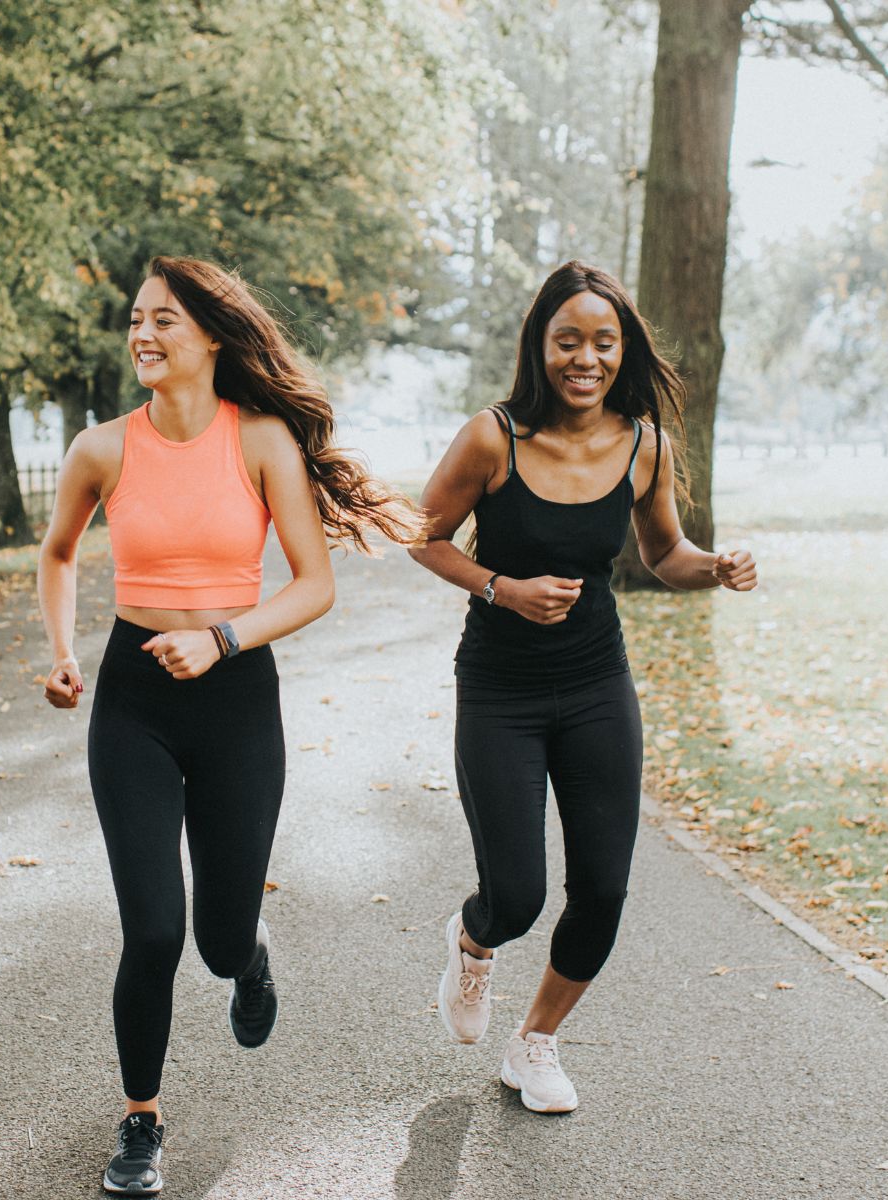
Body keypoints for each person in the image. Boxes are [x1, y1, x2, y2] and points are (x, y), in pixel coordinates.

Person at [37, 256, 416, 1195]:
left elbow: (314, 585)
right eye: (135, 319)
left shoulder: (263, 442)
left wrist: (222, 639)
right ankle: (140, 1122)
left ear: (211, 334)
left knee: (213, 938)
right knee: (154, 930)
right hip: (133, 701)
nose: (143, 335)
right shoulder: (102, 448)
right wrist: (62, 651)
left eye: (164, 320)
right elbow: (56, 554)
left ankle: (248, 955)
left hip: (236, 697)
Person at [408, 261, 758, 1114]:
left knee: (602, 886)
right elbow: (423, 536)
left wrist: (713, 566)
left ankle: (536, 1045)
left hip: (599, 683)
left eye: (604, 341)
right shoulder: (494, 437)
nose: (586, 358)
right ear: (541, 346)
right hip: (500, 692)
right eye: (569, 340)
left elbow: (663, 553)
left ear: (623, 349)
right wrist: (502, 587)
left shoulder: (644, 443)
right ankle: (474, 937)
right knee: (518, 894)